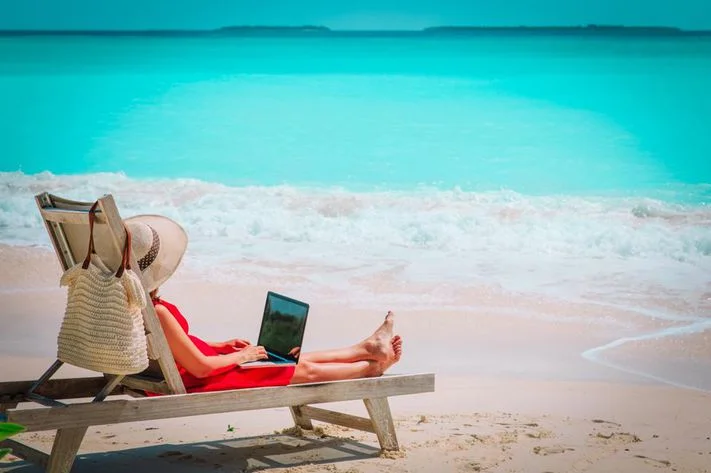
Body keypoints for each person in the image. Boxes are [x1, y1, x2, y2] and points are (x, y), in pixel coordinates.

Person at [125, 215, 402, 393]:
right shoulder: (157, 310)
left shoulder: (132, 301)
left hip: (186, 367)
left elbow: (172, 344)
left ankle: (364, 349)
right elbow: (201, 369)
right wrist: (241, 357)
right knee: (298, 369)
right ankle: (372, 368)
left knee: (281, 358)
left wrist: (219, 346)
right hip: (196, 378)